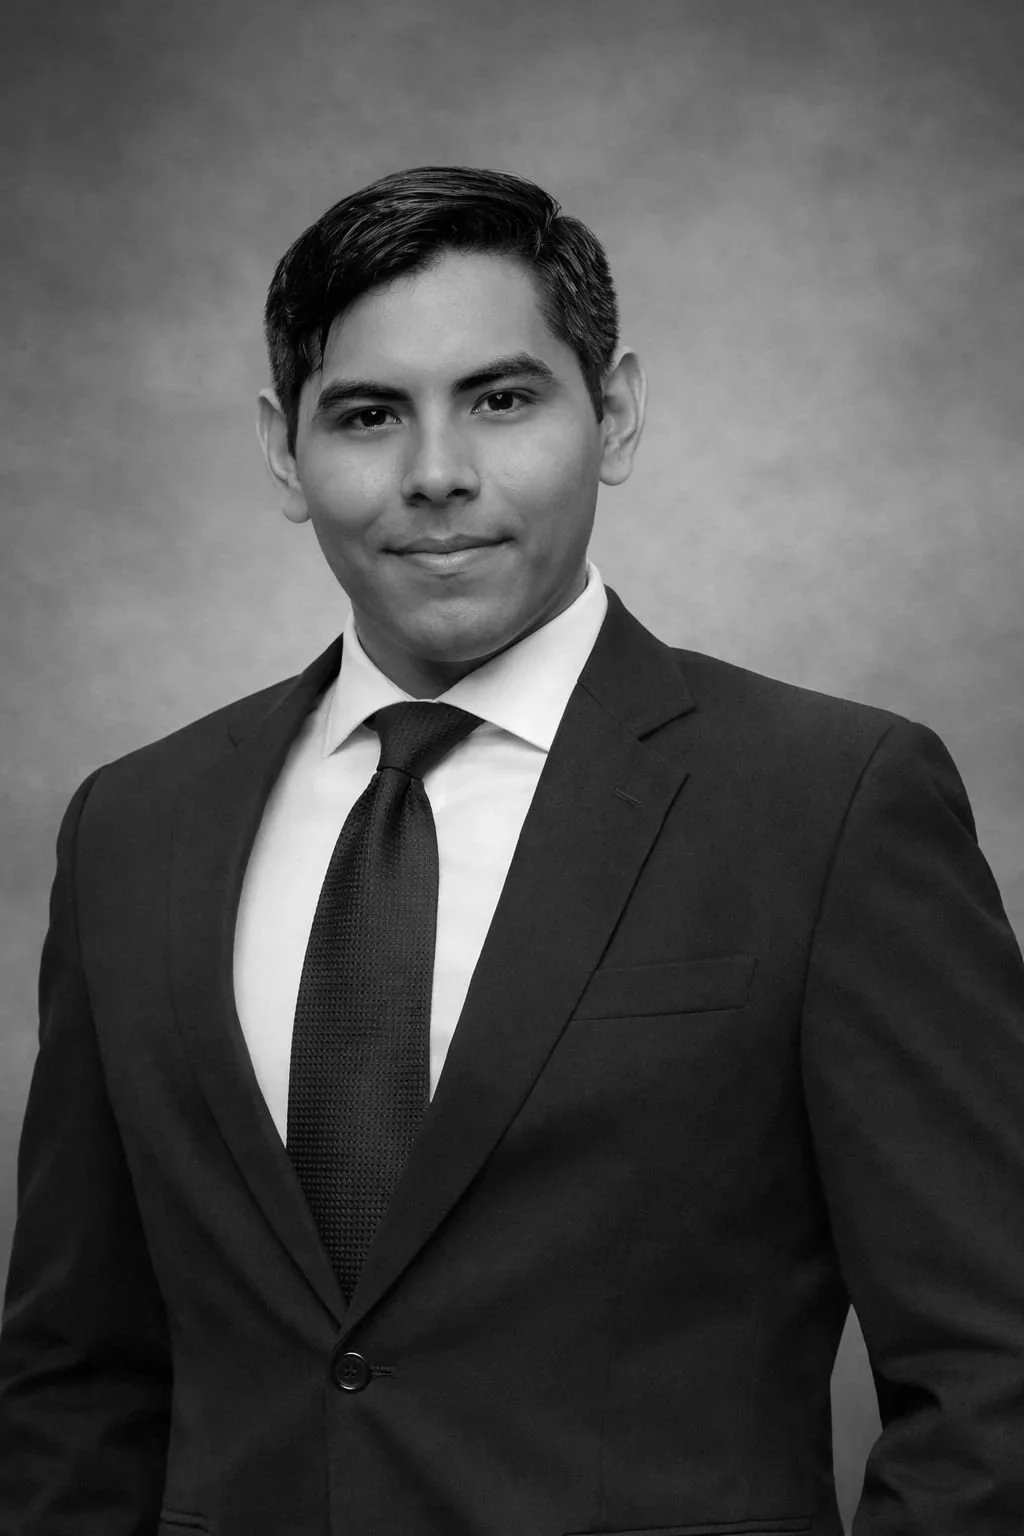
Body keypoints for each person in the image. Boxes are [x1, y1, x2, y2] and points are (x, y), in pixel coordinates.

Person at [1, 165, 1023, 1536]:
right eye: (368, 414)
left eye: (502, 398)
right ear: (280, 450)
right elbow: (79, 1380)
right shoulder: (135, 830)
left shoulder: (833, 805)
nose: (437, 474)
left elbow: (991, 1372)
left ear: (613, 414)